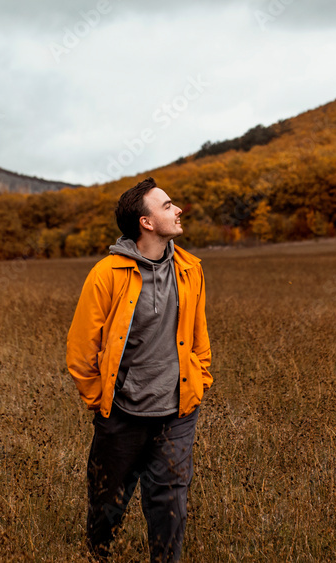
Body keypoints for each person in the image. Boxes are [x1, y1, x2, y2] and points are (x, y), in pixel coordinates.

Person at [66, 177, 212, 562]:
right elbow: (81, 349)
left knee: (170, 503)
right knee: (107, 502)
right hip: (123, 413)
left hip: (177, 410)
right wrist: (100, 399)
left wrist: (201, 380)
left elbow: (199, 335)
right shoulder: (107, 274)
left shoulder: (190, 269)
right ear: (146, 222)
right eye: (166, 206)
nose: (177, 209)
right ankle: (98, 555)